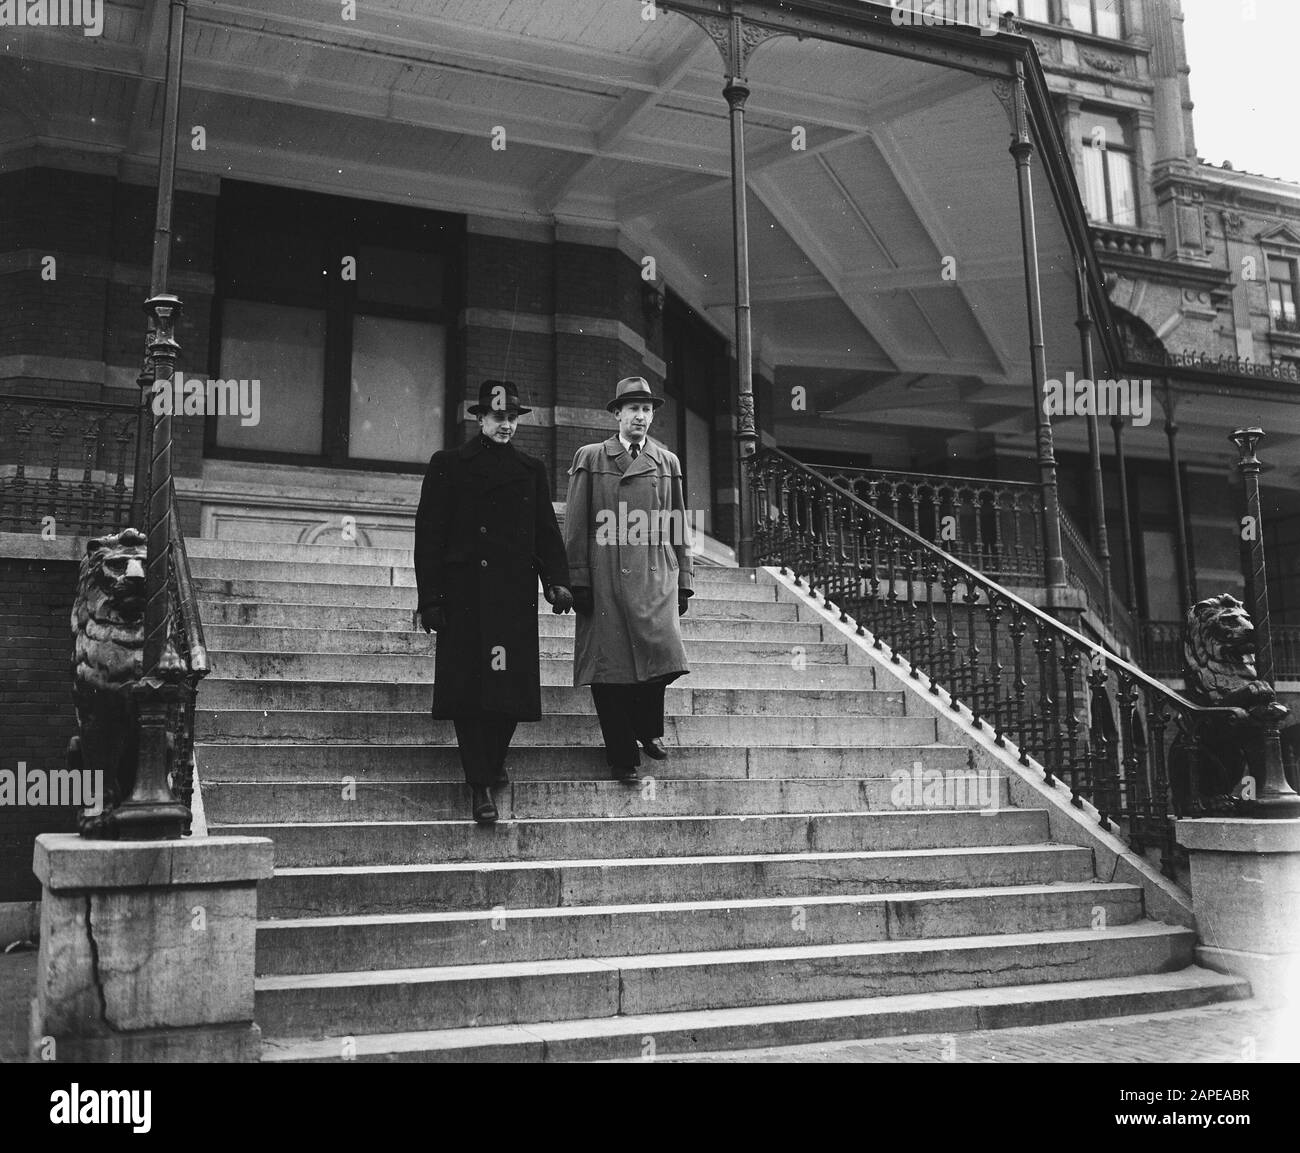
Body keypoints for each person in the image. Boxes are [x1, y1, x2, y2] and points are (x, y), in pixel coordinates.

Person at [415, 379, 572, 824]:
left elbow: (545, 530)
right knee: (469, 693)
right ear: (480, 419)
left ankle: (490, 762)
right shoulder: (448, 464)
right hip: (463, 596)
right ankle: (480, 786)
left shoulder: (530, 469)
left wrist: (555, 580)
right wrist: (430, 598)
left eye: (511, 418)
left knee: (510, 690)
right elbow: (429, 535)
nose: (505, 425)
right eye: (497, 417)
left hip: (510, 597)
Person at [564, 376, 693, 782]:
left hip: (655, 569)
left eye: (647, 409)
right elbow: (576, 522)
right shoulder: (591, 456)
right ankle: (622, 757)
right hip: (605, 571)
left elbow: (677, 524)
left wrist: (684, 577)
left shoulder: (666, 461)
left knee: (663, 655)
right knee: (611, 669)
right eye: (633, 408)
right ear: (617, 414)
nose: (640, 416)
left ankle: (647, 728)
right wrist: (578, 578)